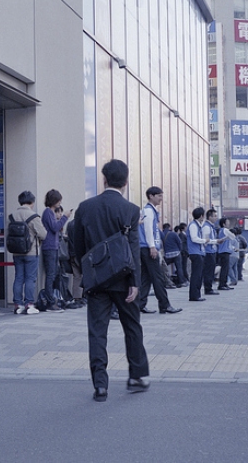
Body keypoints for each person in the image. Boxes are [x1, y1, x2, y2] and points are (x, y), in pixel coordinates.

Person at [73, 159, 150, 402]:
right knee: (132, 326)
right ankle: (137, 375)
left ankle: (100, 385)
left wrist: (87, 272)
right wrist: (136, 282)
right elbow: (134, 250)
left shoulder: (85, 207)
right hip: (125, 280)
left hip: (96, 281)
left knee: (97, 332)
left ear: (104, 179)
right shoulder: (131, 210)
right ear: (126, 182)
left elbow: (77, 245)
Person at [137, 187, 181, 314]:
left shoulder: (149, 211)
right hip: (148, 248)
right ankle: (164, 305)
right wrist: (152, 246)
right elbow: (148, 230)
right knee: (158, 277)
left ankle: (140, 304)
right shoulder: (149, 211)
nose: (161, 198)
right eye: (159, 196)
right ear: (151, 196)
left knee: (146, 277)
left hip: (144, 248)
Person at [11, 191, 47, 315]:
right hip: (31, 252)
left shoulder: (12, 216)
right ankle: (29, 304)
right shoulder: (33, 216)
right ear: (32, 202)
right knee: (30, 278)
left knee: (19, 277)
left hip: (16, 252)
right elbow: (43, 234)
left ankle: (17, 304)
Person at [40, 189, 72, 312]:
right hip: (49, 247)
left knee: (52, 275)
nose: (60, 202)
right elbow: (55, 227)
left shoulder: (50, 212)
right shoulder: (48, 212)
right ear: (53, 200)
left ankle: (52, 300)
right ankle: (50, 302)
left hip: (52, 247)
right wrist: (65, 217)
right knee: (51, 275)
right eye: (58, 200)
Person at [186, 207, 210, 302]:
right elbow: (194, 238)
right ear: (201, 216)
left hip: (198, 252)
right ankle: (194, 295)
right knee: (196, 275)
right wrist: (204, 240)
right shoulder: (193, 225)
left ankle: (196, 294)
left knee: (198, 274)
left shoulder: (197, 225)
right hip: (195, 253)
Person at [65, 218, 86, 310]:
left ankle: (77, 297)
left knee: (77, 276)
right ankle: (84, 296)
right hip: (81, 254)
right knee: (84, 275)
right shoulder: (83, 224)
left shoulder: (70, 224)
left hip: (72, 253)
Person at [202, 209, 223, 295]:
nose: (216, 218)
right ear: (209, 217)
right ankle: (208, 288)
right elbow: (205, 240)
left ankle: (209, 287)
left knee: (211, 271)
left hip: (212, 251)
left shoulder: (211, 226)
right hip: (208, 252)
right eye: (214, 216)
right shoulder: (206, 227)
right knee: (208, 271)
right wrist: (216, 241)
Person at [216, 217, 234, 290]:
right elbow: (233, 237)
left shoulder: (221, 230)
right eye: (227, 222)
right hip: (224, 251)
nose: (229, 223)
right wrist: (229, 235)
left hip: (222, 251)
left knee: (224, 268)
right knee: (225, 269)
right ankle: (222, 284)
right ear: (223, 224)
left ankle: (224, 283)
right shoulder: (225, 230)